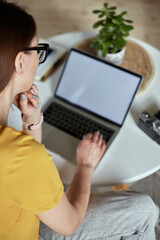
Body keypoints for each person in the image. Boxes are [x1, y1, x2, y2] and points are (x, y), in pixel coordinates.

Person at [0, 1, 159, 240]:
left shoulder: (16, 153)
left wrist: (32, 122)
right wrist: (85, 166)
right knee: (144, 210)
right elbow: (70, 223)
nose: (39, 57)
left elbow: (23, 167)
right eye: (37, 50)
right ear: (20, 62)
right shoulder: (18, 158)